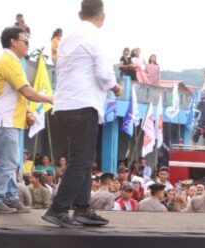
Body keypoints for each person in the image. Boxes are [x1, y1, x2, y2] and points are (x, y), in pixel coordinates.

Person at [46, 0, 121, 228]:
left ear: (80, 14)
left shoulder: (67, 38)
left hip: (64, 105)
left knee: (83, 159)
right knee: (81, 160)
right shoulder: (96, 37)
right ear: (103, 16)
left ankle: (82, 208)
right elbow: (105, 75)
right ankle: (58, 208)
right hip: (83, 105)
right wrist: (116, 87)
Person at [0, 26, 53, 215]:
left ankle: (11, 198)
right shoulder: (9, 61)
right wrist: (51, 98)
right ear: (13, 42)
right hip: (2, 120)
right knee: (9, 162)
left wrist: (28, 112)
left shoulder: (12, 61)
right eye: (25, 42)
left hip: (7, 119)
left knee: (11, 162)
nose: (28, 46)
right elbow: (27, 92)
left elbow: (16, 95)